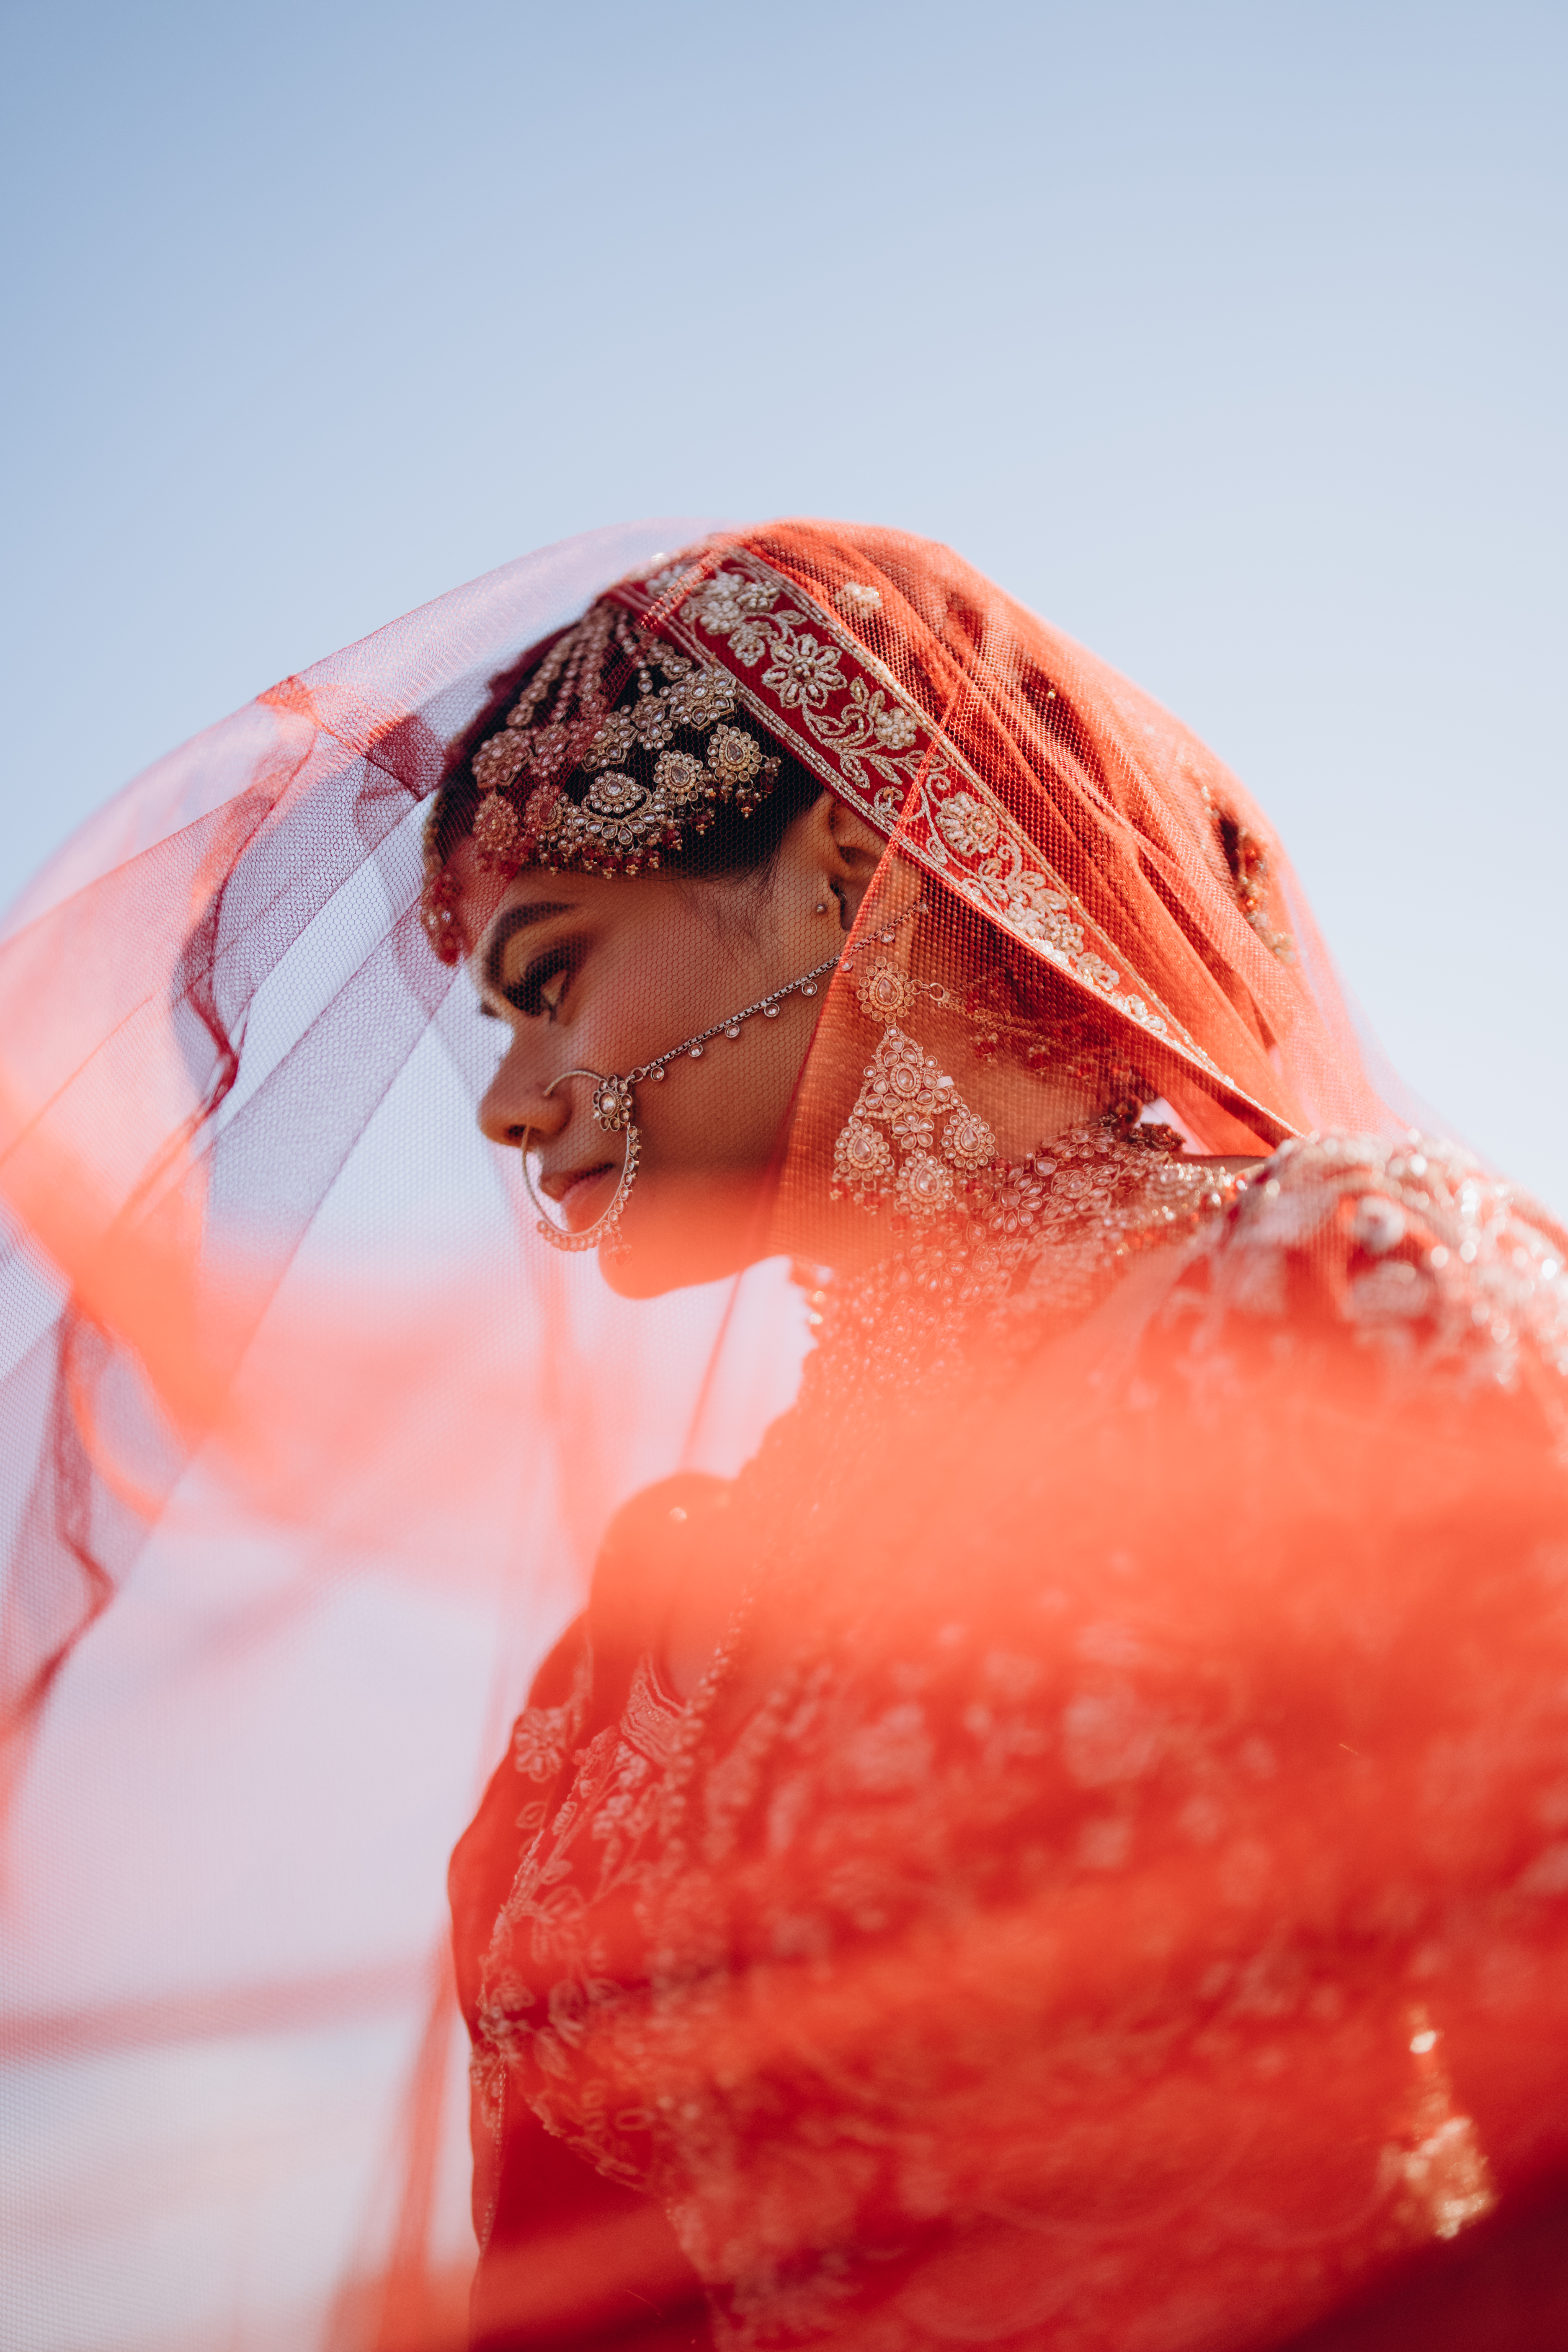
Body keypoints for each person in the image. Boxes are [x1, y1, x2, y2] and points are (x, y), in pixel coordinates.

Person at [2, 521, 1566, 2352]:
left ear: (841, 872)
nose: (505, 1107)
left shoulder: (1330, 1301)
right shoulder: (652, 1635)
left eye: (550, 979)